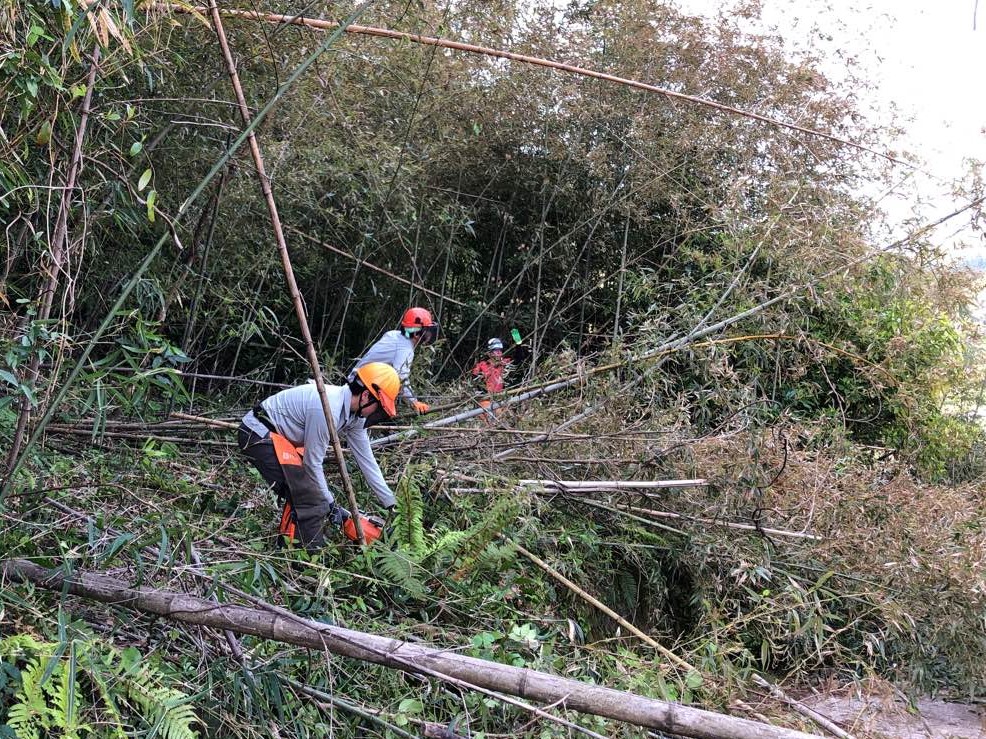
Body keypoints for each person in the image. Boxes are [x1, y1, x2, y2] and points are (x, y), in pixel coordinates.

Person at [238, 362, 400, 549]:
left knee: (306, 490)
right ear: (365, 396)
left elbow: (367, 460)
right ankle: (308, 557)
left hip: (282, 440)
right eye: (379, 408)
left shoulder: (355, 416)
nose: (377, 414)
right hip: (257, 433)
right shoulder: (327, 407)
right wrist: (331, 506)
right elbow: (312, 463)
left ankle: (286, 545)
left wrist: (391, 503)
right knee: (311, 497)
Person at [349, 307, 438, 414]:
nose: (429, 334)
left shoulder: (393, 334)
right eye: (427, 330)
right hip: (361, 388)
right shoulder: (405, 349)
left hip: (355, 380)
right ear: (416, 334)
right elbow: (401, 377)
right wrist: (414, 402)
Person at [471, 337, 512, 422]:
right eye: (496, 350)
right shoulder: (482, 365)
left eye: (500, 350)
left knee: (506, 416)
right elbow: (474, 380)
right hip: (485, 400)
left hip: (500, 399)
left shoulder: (504, 364)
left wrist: (516, 334)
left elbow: (520, 357)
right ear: (489, 353)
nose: (499, 353)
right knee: (489, 417)